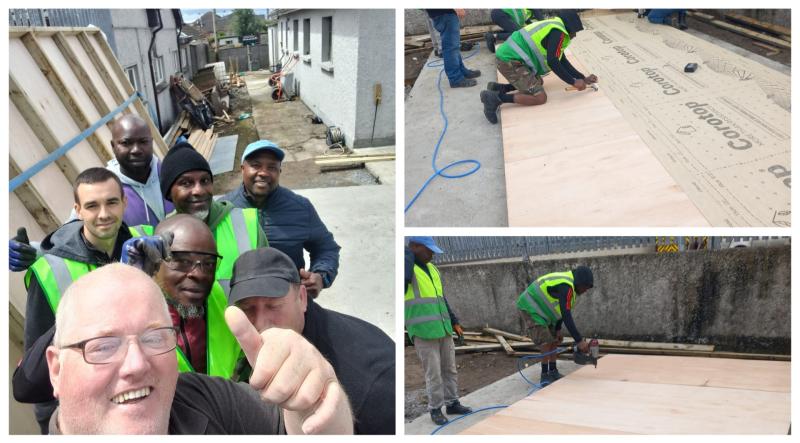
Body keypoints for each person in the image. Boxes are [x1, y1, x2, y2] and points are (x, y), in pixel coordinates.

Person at [36, 263, 353, 434]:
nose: (136, 364)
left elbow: (296, 427)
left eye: (154, 337)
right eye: (103, 346)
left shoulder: (204, 401)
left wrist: (315, 402)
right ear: (56, 369)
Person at [21, 167, 151, 433]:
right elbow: (39, 364)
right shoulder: (48, 272)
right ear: (78, 210)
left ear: (125, 202)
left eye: (112, 202)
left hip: (146, 389)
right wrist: (51, 423)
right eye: (92, 206)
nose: (104, 214)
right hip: (90, 410)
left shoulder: (146, 242)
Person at [228, 247, 395, 434]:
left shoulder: (368, 382)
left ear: (302, 298)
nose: (261, 323)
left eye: (273, 306)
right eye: (247, 309)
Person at [8, 114, 172, 272]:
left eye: (143, 142)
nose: (136, 149)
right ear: (113, 146)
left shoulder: (173, 175)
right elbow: (71, 237)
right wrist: (34, 251)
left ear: (152, 142)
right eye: (126, 143)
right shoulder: (103, 187)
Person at [223, 140, 340, 299]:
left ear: (279, 172)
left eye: (271, 167)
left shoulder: (300, 208)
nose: (263, 172)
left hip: (289, 302)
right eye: (256, 165)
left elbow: (326, 248)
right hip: (239, 305)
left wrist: (320, 275)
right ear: (242, 169)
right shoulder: (223, 210)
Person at [160, 142, 268, 294]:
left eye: (204, 181)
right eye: (186, 183)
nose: (198, 190)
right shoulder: (161, 237)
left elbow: (269, 281)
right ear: (168, 194)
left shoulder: (245, 223)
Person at [480, 9, 598, 124]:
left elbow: (562, 60)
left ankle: (501, 88)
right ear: (569, 27)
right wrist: (573, 81)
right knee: (540, 97)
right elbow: (553, 62)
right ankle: (496, 98)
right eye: (575, 31)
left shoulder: (555, 26)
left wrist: (582, 77)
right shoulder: (558, 33)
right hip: (509, 61)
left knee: (538, 82)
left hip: (512, 58)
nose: (575, 35)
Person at [404, 236, 471, 425]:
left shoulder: (432, 269)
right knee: (433, 373)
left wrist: (454, 321)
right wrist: (406, 255)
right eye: (429, 250)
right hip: (423, 331)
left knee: (449, 369)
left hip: (443, 327)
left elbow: (441, 298)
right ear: (415, 247)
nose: (432, 254)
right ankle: (435, 408)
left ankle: (452, 403)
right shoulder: (407, 268)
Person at [516, 265, 594, 385]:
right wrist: (579, 340)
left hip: (543, 311)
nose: (586, 291)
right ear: (579, 282)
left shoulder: (571, 289)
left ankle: (553, 371)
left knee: (554, 340)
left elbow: (561, 311)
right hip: (529, 306)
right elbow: (566, 315)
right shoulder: (566, 287)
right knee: (546, 341)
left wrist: (558, 329)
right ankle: (544, 375)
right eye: (585, 287)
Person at [425, 9, 482, 88]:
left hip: (443, 12)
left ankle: (461, 71)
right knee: (450, 47)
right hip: (444, 12)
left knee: (453, 46)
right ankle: (455, 79)